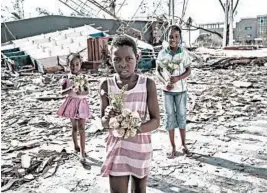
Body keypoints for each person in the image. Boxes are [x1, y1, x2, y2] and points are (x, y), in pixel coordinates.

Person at [100, 35, 160, 193]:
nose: (123, 64)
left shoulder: (147, 84)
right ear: (110, 59)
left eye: (128, 59)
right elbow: (104, 123)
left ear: (137, 57)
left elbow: (156, 120)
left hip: (139, 148)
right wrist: (108, 117)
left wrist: (135, 127)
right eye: (117, 59)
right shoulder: (106, 85)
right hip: (117, 149)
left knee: (139, 190)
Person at [156, 25, 191, 158]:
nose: (173, 39)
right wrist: (165, 82)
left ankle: (183, 144)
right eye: (171, 36)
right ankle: (172, 146)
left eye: (176, 36)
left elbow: (189, 70)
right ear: (167, 37)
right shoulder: (162, 54)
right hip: (167, 91)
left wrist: (178, 78)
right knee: (169, 116)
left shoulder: (183, 53)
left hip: (181, 90)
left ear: (180, 38)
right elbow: (157, 71)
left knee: (181, 116)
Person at [57, 53, 90, 162]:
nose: (74, 67)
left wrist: (81, 91)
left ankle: (82, 151)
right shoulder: (66, 79)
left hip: (82, 103)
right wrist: (70, 89)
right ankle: (76, 146)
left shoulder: (83, 77)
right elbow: (62, 92)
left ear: (80, 64)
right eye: (72, 65)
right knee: (75, 127)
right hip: (72, 104)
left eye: (77, 64)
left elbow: (87, 91)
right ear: (68, 65)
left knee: (82, 127)